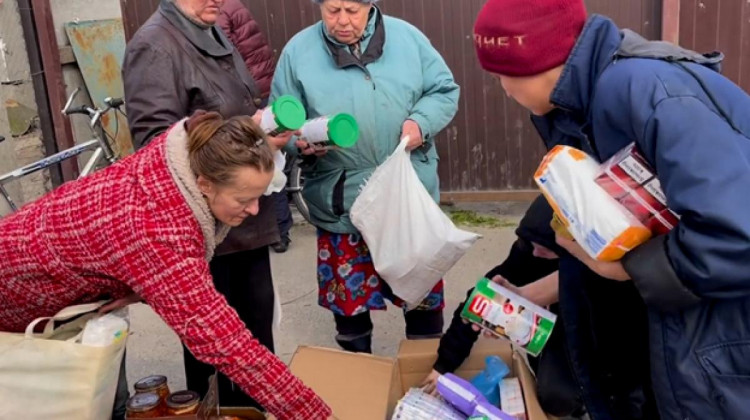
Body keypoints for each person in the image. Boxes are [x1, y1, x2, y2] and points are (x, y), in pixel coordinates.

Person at [473, 0, 750, 419]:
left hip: (718, 336)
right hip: (664, 328)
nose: (503, 88)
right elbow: (628, 236)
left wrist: (625, 269)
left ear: (543, 60)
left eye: (504, 74)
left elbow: (734, 234)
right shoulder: (579, 106)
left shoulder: (646, 92)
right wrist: (534, 293)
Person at [0, 112, 332, 419]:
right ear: (204, 185)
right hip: (14, 297)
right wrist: (315, 415)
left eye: (259, 197)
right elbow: (227, 343)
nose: (255, 210)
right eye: (244, 199)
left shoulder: (183, 156)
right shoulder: (158, 232)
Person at [270, 0, 460, 353]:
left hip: (407, 195)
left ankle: (425, 372)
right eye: (332, 10)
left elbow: (444, 91)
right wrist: (299, 144)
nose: (342, 21)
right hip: (341, 197)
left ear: (370, 6)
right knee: (350, 302)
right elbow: (283, 120)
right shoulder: (298, 51)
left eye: (352, 10)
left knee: (421, 292)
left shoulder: (409, 39)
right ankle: (361, 378)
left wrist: (421, 122)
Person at [122, 0, 283, 408]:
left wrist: (260, 132)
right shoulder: (155, 46)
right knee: (215, 353)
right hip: (204, 230)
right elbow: (155, 145)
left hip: (243, 220)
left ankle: (251, 413)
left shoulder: (212, 29)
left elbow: (231, 112)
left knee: (255, 341)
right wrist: (247, 133)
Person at [421, 196, 585, 418]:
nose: (536, 253)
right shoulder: (527, 252)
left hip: (596, 337)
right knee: (554, 396)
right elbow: (474, 305)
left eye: (544, 250)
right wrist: (442, 366)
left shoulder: (596, 268)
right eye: (531, 245)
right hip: (548, 337)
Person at [217, 0, 294, 253]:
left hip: (248, 95)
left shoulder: (219, 14)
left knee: (261, 159)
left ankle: (275, 230)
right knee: (271, 159)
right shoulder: (234, 6)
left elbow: (222, 58)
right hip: (261, 87)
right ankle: (281, 231)